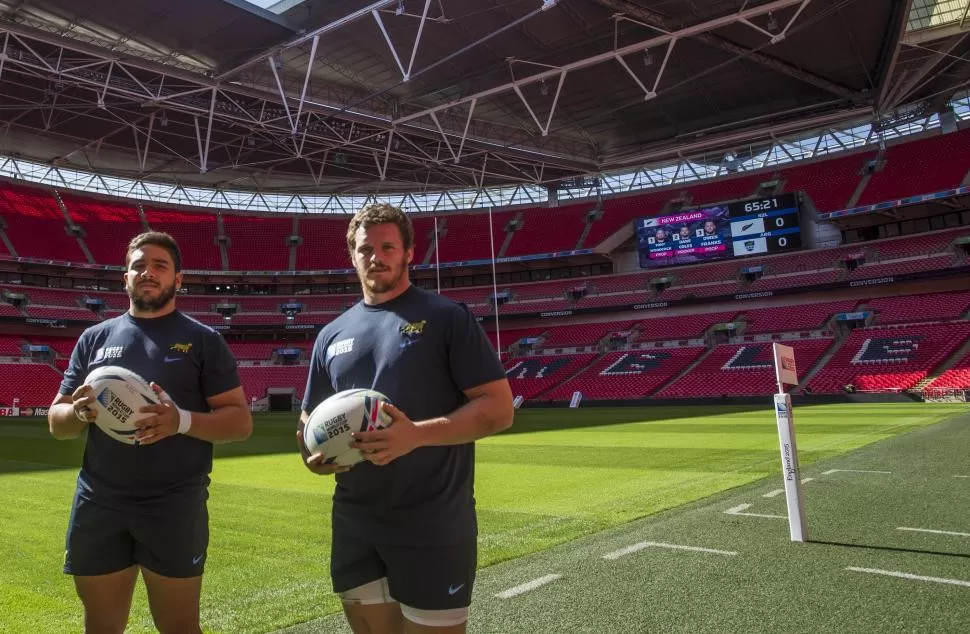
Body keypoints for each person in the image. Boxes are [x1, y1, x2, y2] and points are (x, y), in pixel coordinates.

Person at [299, 203, 514, 634]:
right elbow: (309, 421)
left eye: (387, 247)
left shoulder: (446, 318)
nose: (375, 256)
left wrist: (414, 435)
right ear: (352, 255)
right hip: (356, 524)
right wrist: (312, 455)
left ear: (409, 252)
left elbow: (498, 408)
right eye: (365, 249)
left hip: (433, 524)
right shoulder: (331, 335)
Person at [48, 231, 252, 634]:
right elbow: (57, 421)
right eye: (139, 264)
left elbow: (240, 422)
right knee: (101, 627)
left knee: (178, 627)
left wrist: (181, 421)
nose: (147, 272)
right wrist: (80, 412)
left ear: (178, 279)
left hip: (173, 505)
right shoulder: (95, 339)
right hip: (100, 502)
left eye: (160, 265)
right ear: (125, 277)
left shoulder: (202, 340)